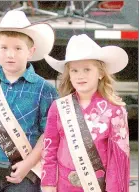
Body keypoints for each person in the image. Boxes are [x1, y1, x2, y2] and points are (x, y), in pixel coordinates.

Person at [0, 10, 58, 192]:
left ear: (31, 52)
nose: (10, 54)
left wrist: (28, 164)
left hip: (24, 176)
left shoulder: (45, 90)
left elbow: (48, 134)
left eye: (18, 48)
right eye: (4, 48)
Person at [41, 34, 130, 192]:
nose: (80, 75)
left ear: (101, 73)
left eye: (87, 69)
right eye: (74, 70)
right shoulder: (58, 107)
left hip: (97, 186)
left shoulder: (115, 110)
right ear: (69, 75)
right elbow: (49, 148)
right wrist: (48, 184)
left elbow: (118, 159)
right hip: (64, 185)